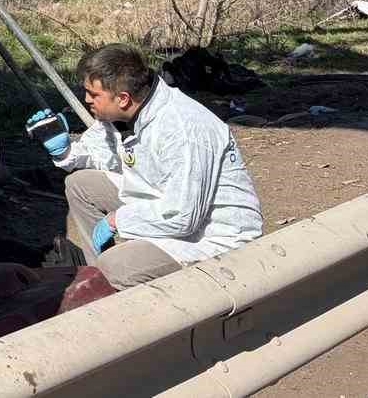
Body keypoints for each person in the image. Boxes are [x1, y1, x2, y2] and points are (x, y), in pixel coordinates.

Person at [26, 44, 263, 289]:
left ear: (123, 99)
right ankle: (95, 280)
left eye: (93, 95)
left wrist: (117, 220)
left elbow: (183, 217)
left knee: (117, 266)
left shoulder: (182, 128)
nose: (86, 100)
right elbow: (96, 152)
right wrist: (61, 149)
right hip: (161, 201)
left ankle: (119, 293)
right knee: (80, 185)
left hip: (213, 237)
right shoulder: (128, 112)